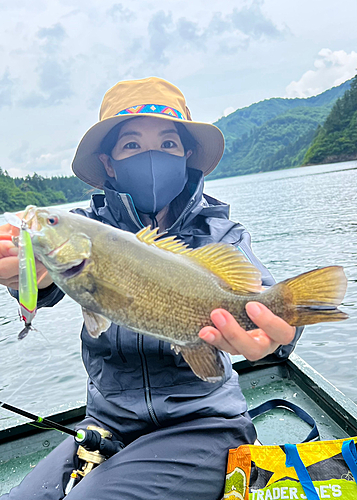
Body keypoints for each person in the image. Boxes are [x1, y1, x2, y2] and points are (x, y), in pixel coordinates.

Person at [0, 77, 299, 500]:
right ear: (109, 162)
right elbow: (45, 284)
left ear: (187, 155)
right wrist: (26, 276)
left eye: (168, 144)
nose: (153, 156)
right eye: (133, 146)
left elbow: (264, 298)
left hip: (205, 424)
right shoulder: (86, 228)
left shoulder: (219, 231)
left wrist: (275, 332)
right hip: (106, 424)